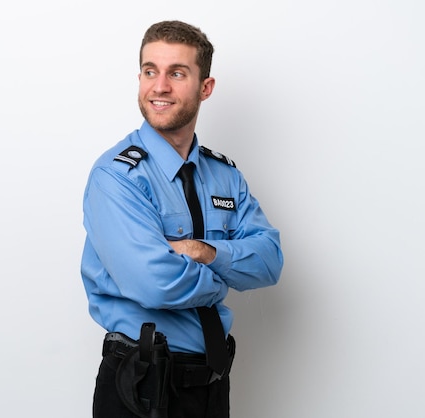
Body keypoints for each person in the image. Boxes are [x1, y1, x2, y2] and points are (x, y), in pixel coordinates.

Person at [80, 20, 284, 418]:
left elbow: (270, 261)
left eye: (177, 73)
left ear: (205, 88)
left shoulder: (224, 174)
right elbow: (155, 284)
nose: (160, 86)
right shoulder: (116, 177)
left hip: (211, 384)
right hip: (140, 386)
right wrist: (227, 273)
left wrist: (202, 252)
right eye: (150, 71)